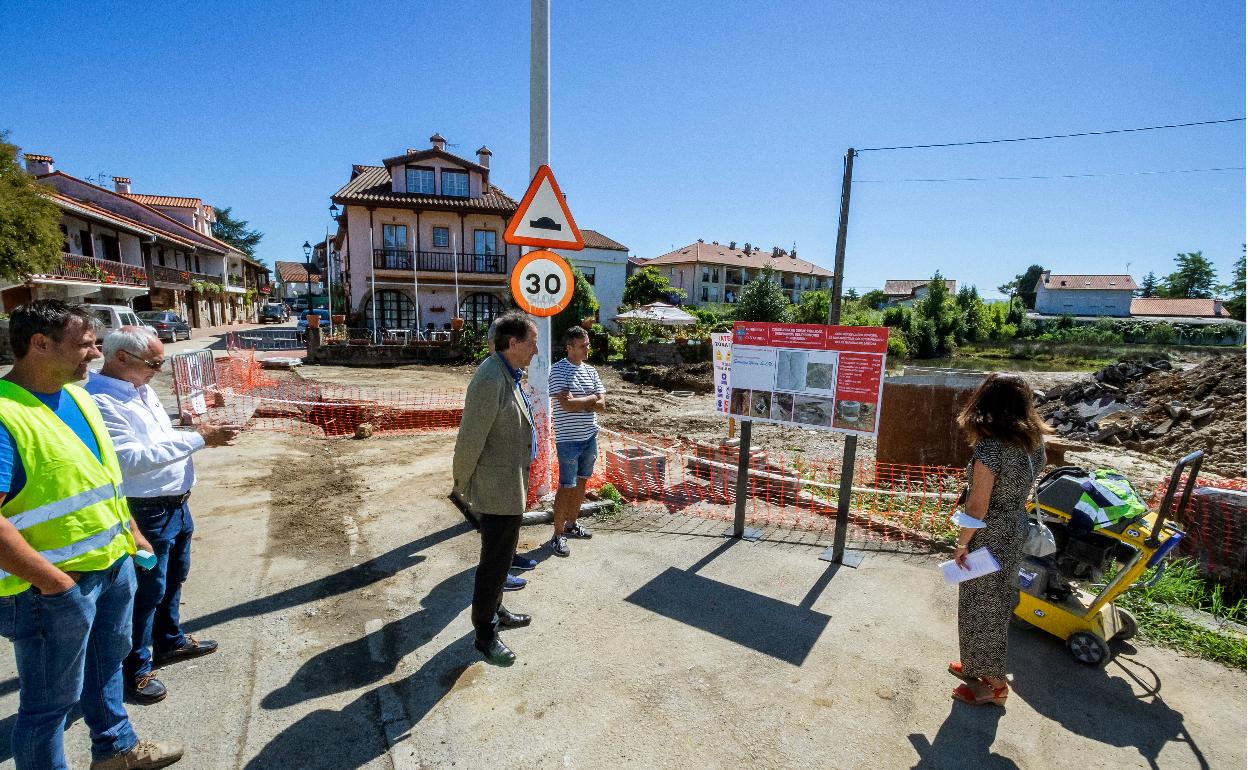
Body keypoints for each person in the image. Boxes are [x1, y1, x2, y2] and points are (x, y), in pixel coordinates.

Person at [0, 300, 182, 770]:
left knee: (104, 671)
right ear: (39, 344)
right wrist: (54, 584)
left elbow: (100, 479)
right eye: (84, 345)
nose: (95, 356)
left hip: (112, 563)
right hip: (50, 588)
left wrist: (133, 532)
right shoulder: (5, 415)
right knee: (48, 707)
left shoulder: (79, 397)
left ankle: (116, 750)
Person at [85, 327, 235, 705]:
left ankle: (168, 641)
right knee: (144, 593)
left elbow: (158, 440)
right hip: (145, 511)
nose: (159, 369)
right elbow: (129, 459)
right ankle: (132, 669)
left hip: (175, 504)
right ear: (121, 359)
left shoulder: (142, 389)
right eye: (153, 363)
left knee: (173, 579)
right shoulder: (101, 401)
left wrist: (190, 429)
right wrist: (198, 437)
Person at [948, 373, 1050, 706]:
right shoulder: (1033, 444)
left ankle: (993, 685)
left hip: (988, 534)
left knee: (983, 606)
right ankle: (978, 664)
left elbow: (978, 504)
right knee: (992, 603)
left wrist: (962, 543)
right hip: (1014, 528)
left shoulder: (991, 448)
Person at [452, 313, 538, 665]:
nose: (536, 350)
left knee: (502, 559)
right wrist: (463, 487)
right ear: (513, 343)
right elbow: (469, 440)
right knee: (494, 564)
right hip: (495, 487)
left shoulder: (508, 373)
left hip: (509, 483)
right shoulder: (490, 378)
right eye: (531, 343)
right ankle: (485, 634)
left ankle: (497, 608)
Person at [545, 325, 606, 557]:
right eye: (583, 346)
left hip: (590, 437)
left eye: (587, 344)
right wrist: (591, 399)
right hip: (568, 440)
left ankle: (571, 524)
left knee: (582, 483)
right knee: (566, 487)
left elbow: (602, 404)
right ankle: (558, 534)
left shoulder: (591, 371)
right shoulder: (558, 371)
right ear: (569, 347)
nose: (587, 349)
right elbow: (566, 406)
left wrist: (584, 399)